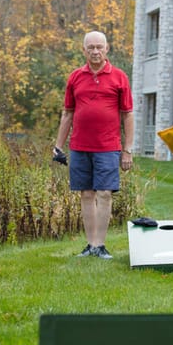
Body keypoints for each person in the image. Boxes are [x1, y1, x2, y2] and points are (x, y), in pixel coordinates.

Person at [53, 31, 134, 259]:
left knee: (105, 193)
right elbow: (67, 113)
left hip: (108, 146)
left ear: (107, 49)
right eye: (91, 48)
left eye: (99, 47)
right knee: (86, 194)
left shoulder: (119, 77)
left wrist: (127, 149)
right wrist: (58, 146)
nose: (95, 51)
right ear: (84, 50)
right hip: (79, 146)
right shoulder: (75, 77)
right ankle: (90, 245)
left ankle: (100, 245)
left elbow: (127, 115)